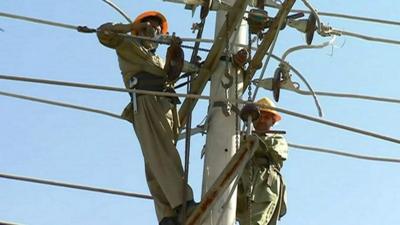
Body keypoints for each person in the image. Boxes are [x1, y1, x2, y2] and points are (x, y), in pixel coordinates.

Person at [96, 11, 197, 225]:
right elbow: (104, 32)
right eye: (148, 24)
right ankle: (184, 204)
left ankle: (167, 216)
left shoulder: (158, 58)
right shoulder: (127, 44)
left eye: (158, 26)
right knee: (163, 154)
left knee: (155, 161)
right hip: (146, 101)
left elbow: (185, 68)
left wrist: (181, 57)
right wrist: (132, 28)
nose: (154, 27)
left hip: (165, 107)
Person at [237, 97, 288, 225]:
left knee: (256, 221)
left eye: (266, 117)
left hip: (265, 183)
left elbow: (276, 154)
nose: (262, 120)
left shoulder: (277, 139)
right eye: (259, 116)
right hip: (243, 181)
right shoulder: (240, 139)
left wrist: (252, 142)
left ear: (273, 121)